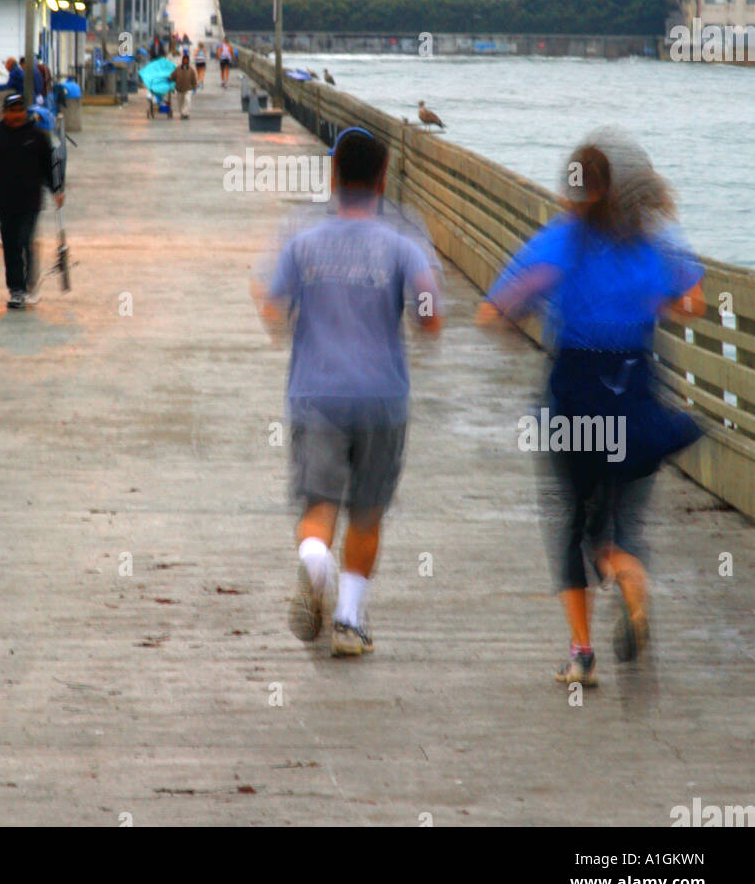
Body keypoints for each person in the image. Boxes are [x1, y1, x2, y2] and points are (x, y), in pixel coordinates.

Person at [476, 128, 705, 688]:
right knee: (624, 514)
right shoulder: (648, 243)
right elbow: (692, 305)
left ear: (574, 191)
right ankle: (628, 573)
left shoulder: (561, 241)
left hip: (575, 393)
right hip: (636, 389)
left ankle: (582, 652)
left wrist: (525, 318)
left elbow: (494, 310)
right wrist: (648, 301)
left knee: (571, 524)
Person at [254, 128, 443, 657]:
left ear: (333, 175)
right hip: (383, 397)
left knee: (319, 504)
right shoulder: (403, 244)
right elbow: (429, 317)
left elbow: (273, 310)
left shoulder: (303, 242)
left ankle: (316, 562)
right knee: (367, 512)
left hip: (316, 393)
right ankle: (348, 622)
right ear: (383, 179)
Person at [0, 93, 63, 310]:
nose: (17, 115)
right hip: (4, 202)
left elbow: (52, 165)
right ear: (4, 113)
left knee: (24, 241)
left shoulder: (38, 136)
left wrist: (57, 189)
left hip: (30, 201)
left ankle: (30, 283)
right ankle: (16, 290)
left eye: (20, 111)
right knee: (11, 245)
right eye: (12, 111)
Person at [171, 53, 198, 120]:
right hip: (179, 88)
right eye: (184, 59)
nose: (185, 61)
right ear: (183, 60)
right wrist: (169, 79)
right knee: (180, 102)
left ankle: (186, 113)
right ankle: (182, 113)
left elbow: (194, 79)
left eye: (187, 60)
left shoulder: (191, 70)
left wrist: (194, 87)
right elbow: (173, 76)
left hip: (188, 88)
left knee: (187, 100)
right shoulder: (178, 69)